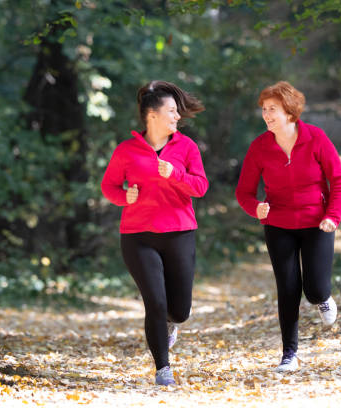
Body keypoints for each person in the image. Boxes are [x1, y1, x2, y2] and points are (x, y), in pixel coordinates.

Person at [235, 81, 341, 372]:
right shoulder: (259, 147)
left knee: (314, 289)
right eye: (264, 110)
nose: (266, 114)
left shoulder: (315, 138)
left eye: (272, 109)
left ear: (289, 112)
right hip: (278, 224)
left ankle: (323, 298)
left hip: (317, 223)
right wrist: (255, 208)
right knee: (287, 289)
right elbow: (244, 192)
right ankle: (289, 354)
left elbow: (338, 180)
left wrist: (332, 216)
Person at [101, 80, 208, 386]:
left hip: (179, 233)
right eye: (172, 111)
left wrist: (175, 174)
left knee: (180, 310)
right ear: (152, 116)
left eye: (177, 111)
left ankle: (173, 325)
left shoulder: (186, 147)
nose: (178, 116)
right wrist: (125, 198)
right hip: (138, 236)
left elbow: (200, 187)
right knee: (155, 303)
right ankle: (163, 368)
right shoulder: (127, 150)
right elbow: (109, 186)